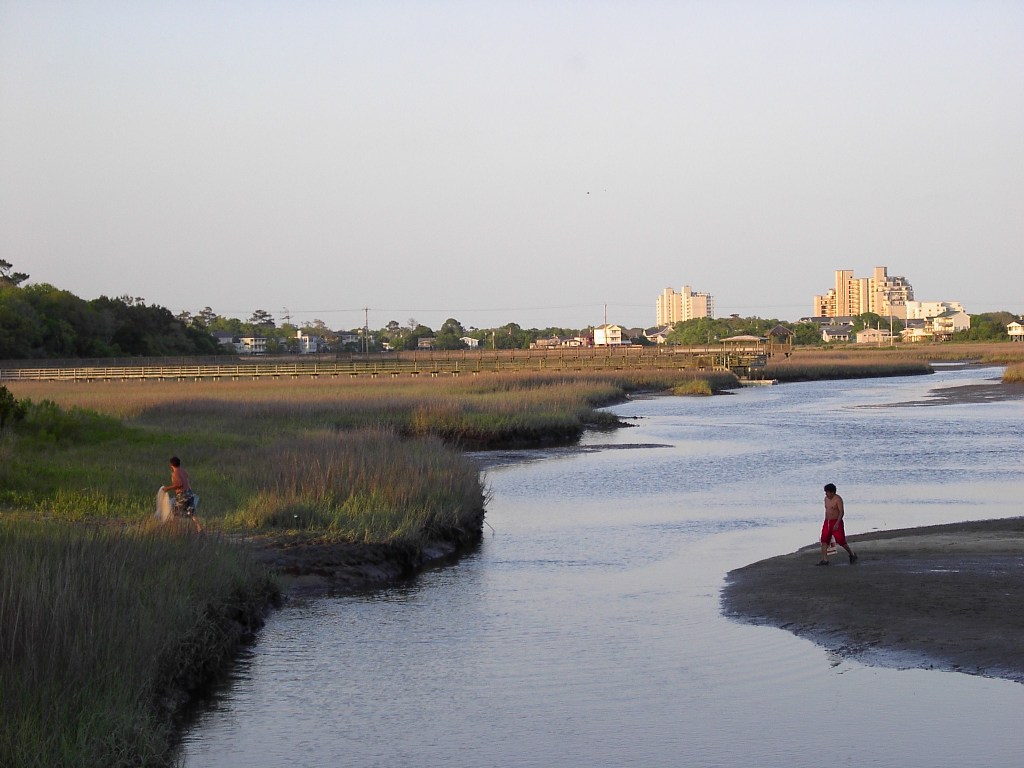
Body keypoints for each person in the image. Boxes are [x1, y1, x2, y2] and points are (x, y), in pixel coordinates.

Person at [161, 456, 202, 533]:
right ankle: (200, 530)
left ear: (171, 465)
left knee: (174, 513)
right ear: (179, 463)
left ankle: (175, 531)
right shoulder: (184, 471)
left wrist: (167, 488)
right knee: (192, 514)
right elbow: (187, 483)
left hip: (182, 495)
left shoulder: (174, 474)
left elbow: (179, 484)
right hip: (190, 493)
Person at [817, 482, 856, 566]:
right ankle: (825, 559)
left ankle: (852, 554)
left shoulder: (838, 499)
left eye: (827, 492)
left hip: (836, 521)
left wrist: (837, 523)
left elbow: (841, 512)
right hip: (827, 521)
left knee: (841, 540)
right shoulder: (826, 499)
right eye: (825, 492)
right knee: (824, 539)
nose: (826, 494)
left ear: (832, 492)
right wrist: (825, 521)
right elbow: (827, 510)